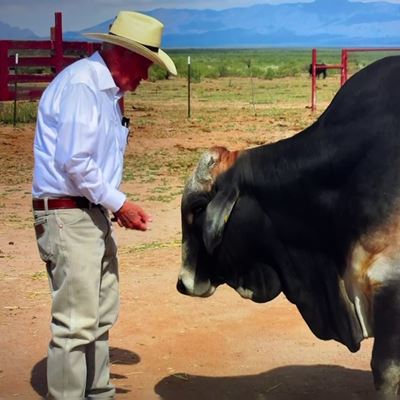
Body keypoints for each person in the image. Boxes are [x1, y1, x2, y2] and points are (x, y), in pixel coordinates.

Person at [32, 11, 177, 400]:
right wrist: (121, 202)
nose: (145, 77)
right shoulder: (84, 86)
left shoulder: (104, 92)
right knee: (77, 322)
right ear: (122, 55)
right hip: (68, 214)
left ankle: (98, 393)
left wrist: (112, 205)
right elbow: (74, 161)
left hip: (87, 213)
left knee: (98, 315)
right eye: (144, 65)